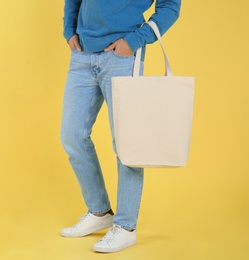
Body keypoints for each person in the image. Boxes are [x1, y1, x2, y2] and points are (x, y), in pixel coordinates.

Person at [59, 0, 181, 253]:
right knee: (72, 136)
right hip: (82, 56)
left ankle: (126, 227)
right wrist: (69, 30)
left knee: (127, 143)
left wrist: (135, 41)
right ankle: (99, 211)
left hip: (122, 57)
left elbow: (170, 7)